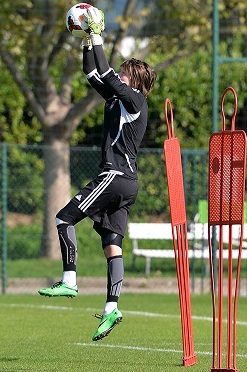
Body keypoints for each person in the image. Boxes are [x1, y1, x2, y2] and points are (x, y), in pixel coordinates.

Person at [38, 6, 156, 342]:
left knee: (63, 219)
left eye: (124, 73)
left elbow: (105, 71)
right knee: (112, 246)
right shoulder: (120, 100)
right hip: (127, 183)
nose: (119, 75)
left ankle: (70, 280)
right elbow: (94, 74)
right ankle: (111, 309)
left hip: (115, 175)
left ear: (134, 80)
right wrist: (88, 39)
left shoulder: (135, 100)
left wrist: (97, 32)